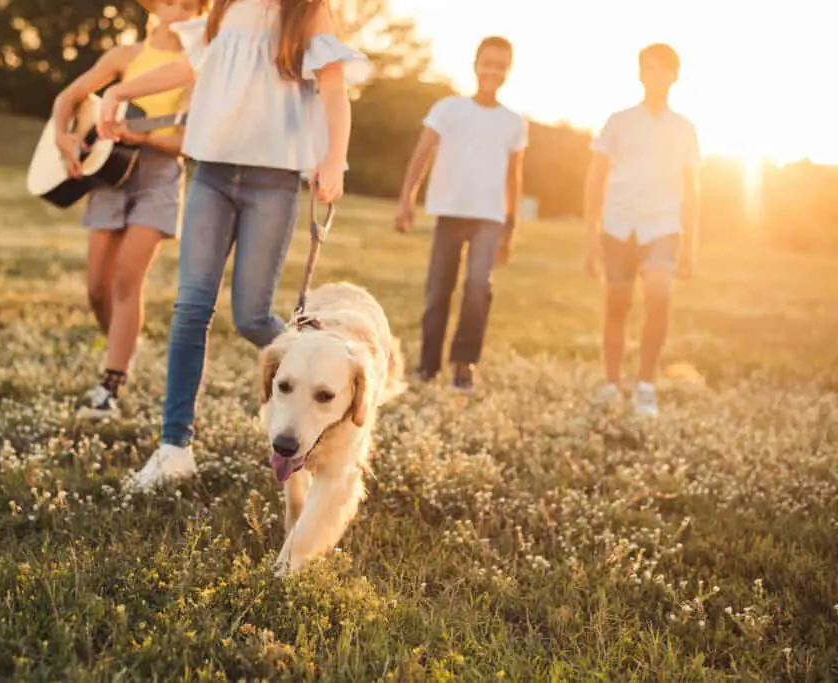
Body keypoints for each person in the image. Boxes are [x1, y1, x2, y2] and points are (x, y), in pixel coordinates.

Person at [96, 0, 372, 490]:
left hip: (274, 183)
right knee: (191, 307)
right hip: (212, 176)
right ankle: (173, 446)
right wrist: (120, 90)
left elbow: (333, 89)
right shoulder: (224, 9)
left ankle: (322, 373)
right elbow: (188, 64)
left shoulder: (305, 12)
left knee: (250, 316)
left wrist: (335, 158)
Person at [50, 0, 206, 420]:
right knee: (97, 289)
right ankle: (124, 345)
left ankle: (110, 384)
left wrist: (150, 140)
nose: (180, 12)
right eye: (172, 2)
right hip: (109, 170)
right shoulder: (127, 56)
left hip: (158, 176)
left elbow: (190, 140)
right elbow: (70, 96)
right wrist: (64, 137)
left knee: (126, 280)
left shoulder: (199, 64)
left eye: (192, 6)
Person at [394, 36, 527, 393]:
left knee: (478, 287)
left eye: (500, 66)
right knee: (438, 290)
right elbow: (422, 154)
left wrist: (511, 227)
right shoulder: (448, 109)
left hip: (490, 217)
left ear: (508, 72)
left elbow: (515, 176)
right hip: (449, 212)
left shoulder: (513, 122)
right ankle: (428, 366)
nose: (492, 71)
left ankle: (464, 364)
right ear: (475, 64)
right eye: (487, 63)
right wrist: (407, 198)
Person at [583, 43, 701, 418]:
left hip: (663, 225)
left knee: (659, 295)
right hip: (618, 224)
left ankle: (646, 385)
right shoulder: (619, 121)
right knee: (617, 305)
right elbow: (596, 176)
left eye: (663, 70)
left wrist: (690, 244)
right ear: (639, 73)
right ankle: (611, 384)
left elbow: (692, 187)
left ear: (675, 76)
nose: (655, 76)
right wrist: (590, 234)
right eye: (648, 69)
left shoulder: (685, 129)